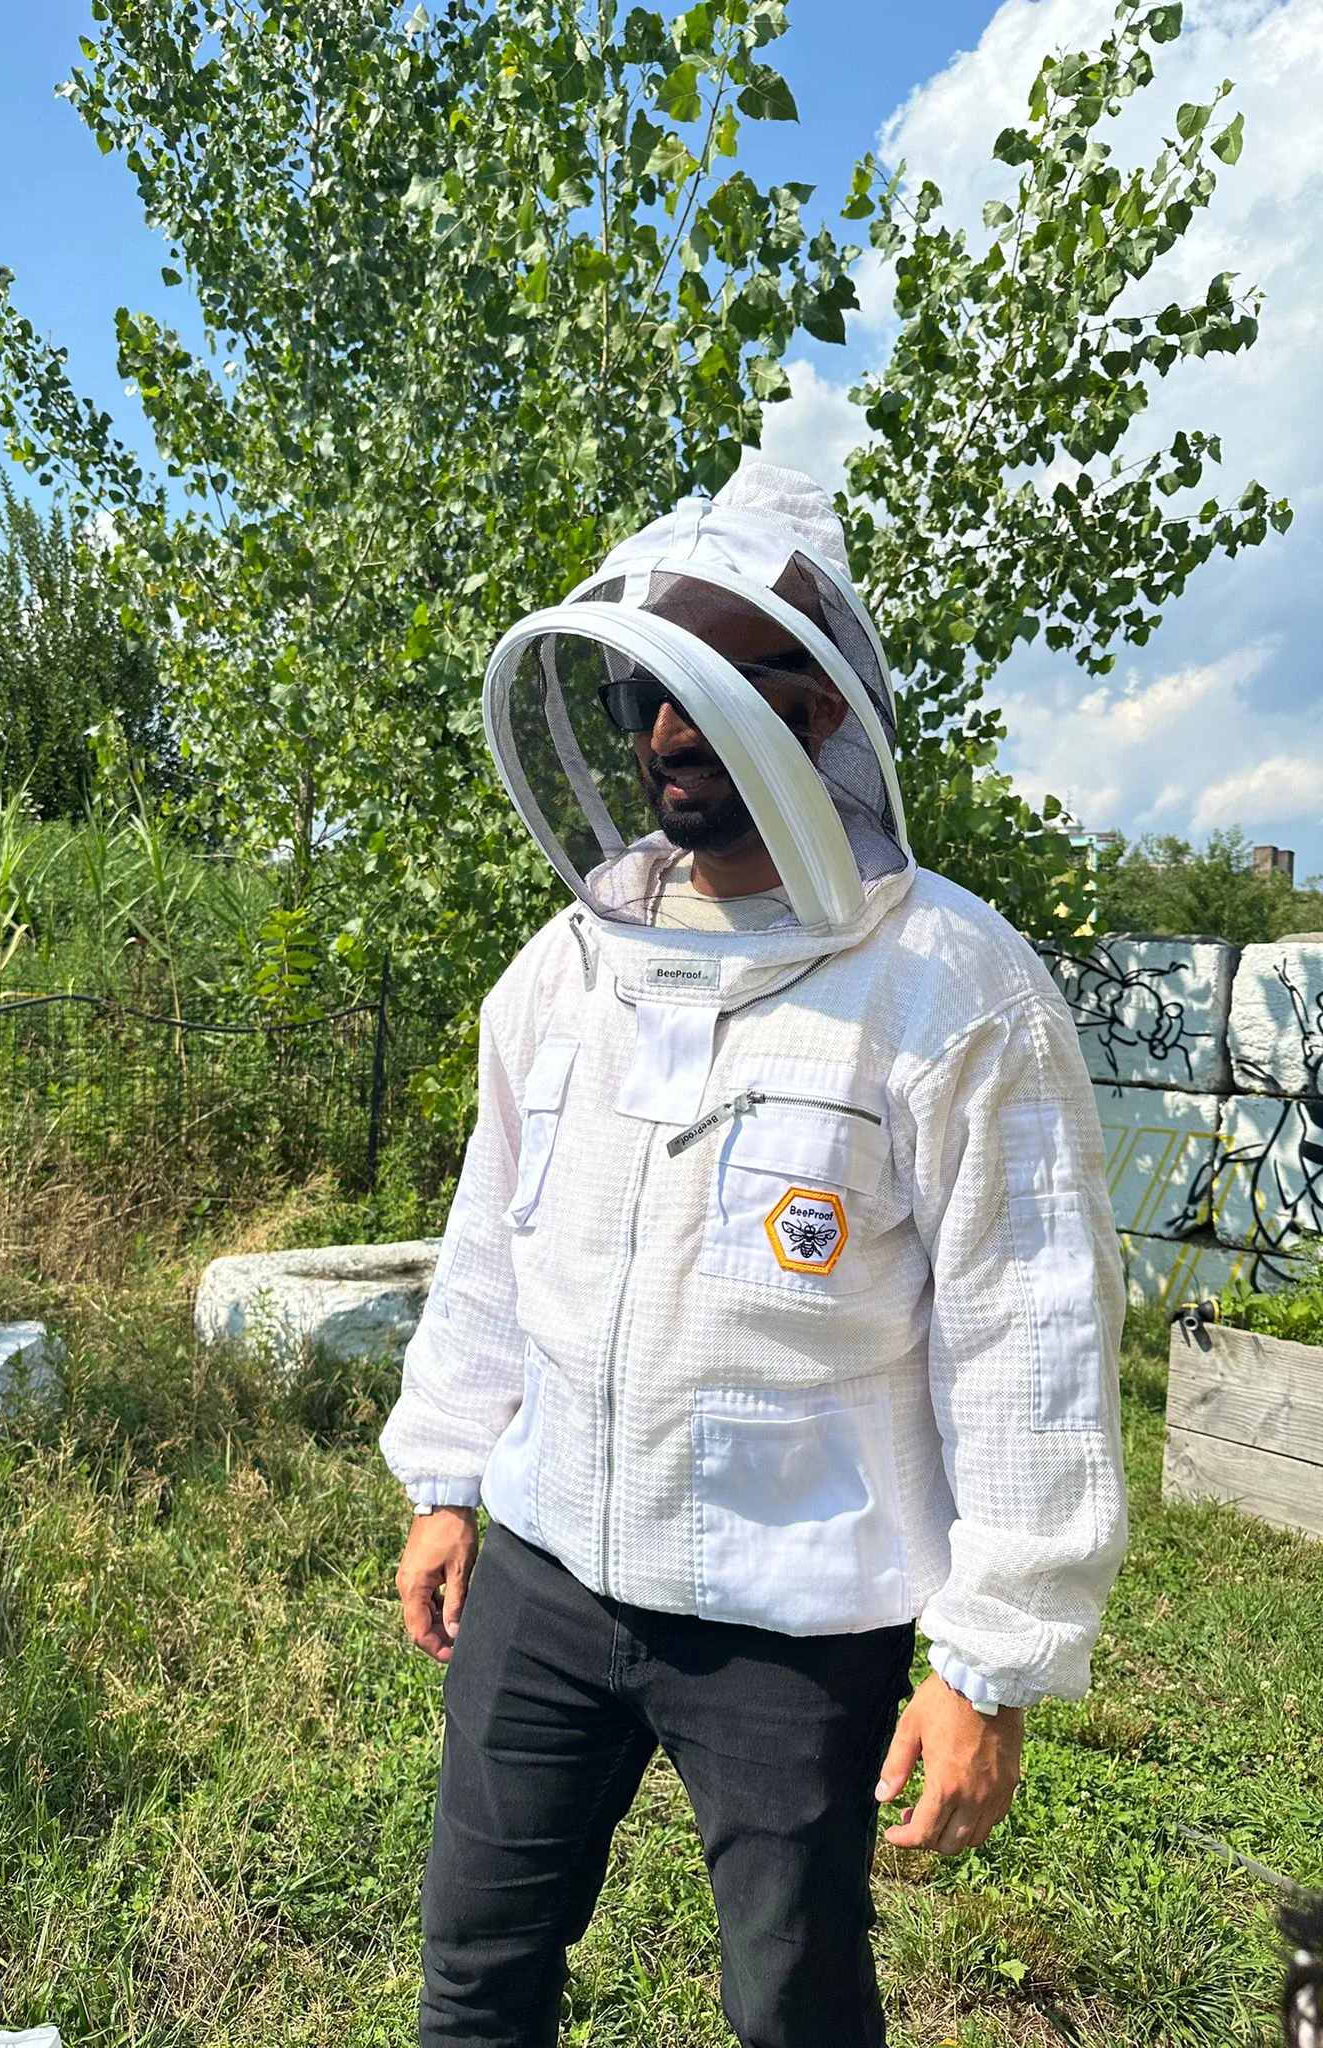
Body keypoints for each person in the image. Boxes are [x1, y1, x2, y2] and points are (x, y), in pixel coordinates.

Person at [380, 465, 1128, 2048]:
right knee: (475, 1971)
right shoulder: (568, 963)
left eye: (725, 677)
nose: (669, 725)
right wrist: (449, 1478)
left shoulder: (951, 984)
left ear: (828, 709)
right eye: (654, 680)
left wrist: (989, 1666)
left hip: (795, 1619)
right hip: (545, 1571)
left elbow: (1030, 1335)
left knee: (794, 2009)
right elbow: (492, 1245)